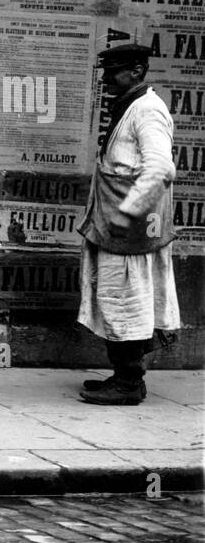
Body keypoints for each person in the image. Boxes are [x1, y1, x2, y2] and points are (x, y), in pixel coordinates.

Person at [77, 43, 180, 405]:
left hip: (130, 230)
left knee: (126, 302)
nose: (107, 77)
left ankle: (129, 382)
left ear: (137, 71)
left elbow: (160, 168)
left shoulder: (148, 110)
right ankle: (124, 375)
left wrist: (127, 212)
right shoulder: (131, 105)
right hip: (116, 226)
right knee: (115, 299)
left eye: (115, 70)